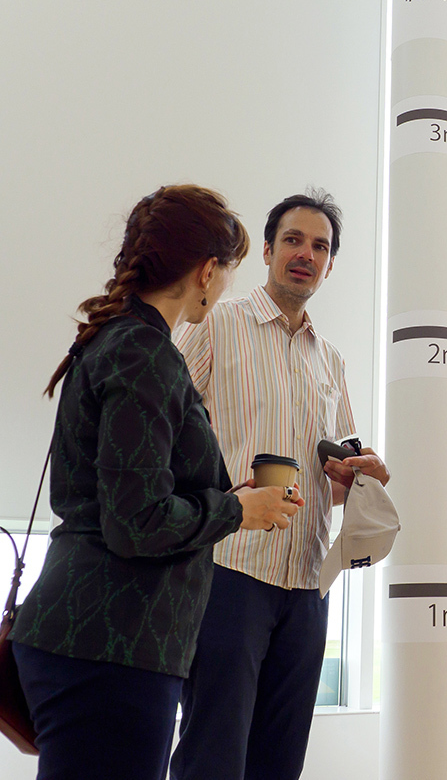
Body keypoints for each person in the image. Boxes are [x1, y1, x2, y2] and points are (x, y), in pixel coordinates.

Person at [10, 185, 301, 780]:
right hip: (110, 646)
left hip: (92, 640)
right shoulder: (145, 352)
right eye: (228, 272)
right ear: (206, 270)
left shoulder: (116, 340)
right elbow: (136, 523)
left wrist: (228, 502)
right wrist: (235, 512)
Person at [170, 189, 390, 780]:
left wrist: (356, 475)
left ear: (330, 264)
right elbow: (163, 425)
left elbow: (333, 479)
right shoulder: (216, 323)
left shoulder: (332, 361)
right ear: (267, 250)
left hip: (308, 581)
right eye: (293, 240)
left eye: (320, 246)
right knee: (212, 752)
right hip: (229, 570)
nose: (306, 254)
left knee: (281, 760)